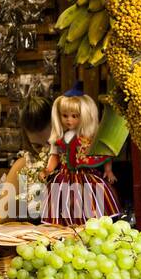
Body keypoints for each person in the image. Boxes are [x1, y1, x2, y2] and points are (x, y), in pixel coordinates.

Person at [40, 85, 120, 225]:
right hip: (64, 177)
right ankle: (67, 229)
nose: (69, 120)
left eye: (74, 116)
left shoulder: (89, 138)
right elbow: (54, 156)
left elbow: (103, 154)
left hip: (86, 176)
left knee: (90, 202)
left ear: (84, 116)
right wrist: (48, 170)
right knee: (63, 203)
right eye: (65, 116)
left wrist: (108, 170)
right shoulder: (59, 139)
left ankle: (89, 227)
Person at [0, 89, 53, 223]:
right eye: (37, 146)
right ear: (27, 140)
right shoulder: (22, 168)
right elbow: (2, 223)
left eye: (51, 143)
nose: (46, 152)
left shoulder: (77, 165)